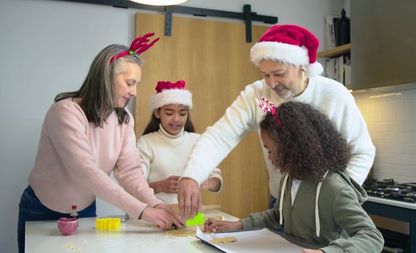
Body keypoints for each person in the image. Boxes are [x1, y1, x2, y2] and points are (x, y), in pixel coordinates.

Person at [178, 24, 376, 218]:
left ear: (301, 66)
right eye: (266, 75)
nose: (272, 83)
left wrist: (336, 197)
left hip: (327, 206)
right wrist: (191, 175)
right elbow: (220, 136)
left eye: (279, 74)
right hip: (281, 203)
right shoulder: (257, 96)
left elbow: (362, 151)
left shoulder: (335, 95)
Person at [17, 33, 182, 253]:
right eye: (129, 83)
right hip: (42, 210)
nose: (134, 92)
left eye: (136, 84)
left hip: (83, 210)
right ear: (106, 76)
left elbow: (130, 173)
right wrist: (142, 211)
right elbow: (86, 173)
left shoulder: (124, 120)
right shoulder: (66, 112)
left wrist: (156, 204)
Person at [203, 100, 384, 253]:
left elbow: (372, 236)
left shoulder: (333, 188)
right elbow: (278, 215)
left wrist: (325, 252)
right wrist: (238, 225)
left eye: (270, 149)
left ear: (293, 147)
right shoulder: (289, 179)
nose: (269, 156)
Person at [138, 80, 222, 204]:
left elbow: (217, 179)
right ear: (157, 113)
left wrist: (204, 183)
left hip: (191, 215)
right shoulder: (146, 143)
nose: (176, 119)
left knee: (209, 222)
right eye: (169, 113)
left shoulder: (197, 140)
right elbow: (134, 187)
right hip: (156, 215)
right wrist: (159, 186)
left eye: (183, 113)